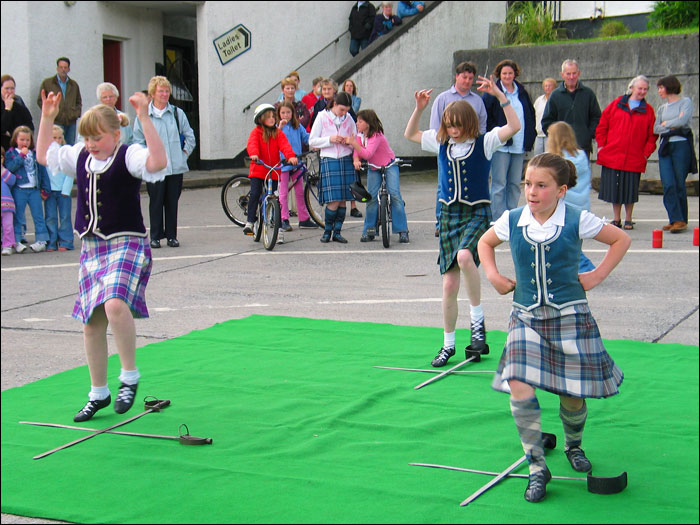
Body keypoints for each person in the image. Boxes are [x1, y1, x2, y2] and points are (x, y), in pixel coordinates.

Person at [477, 152, 630, 503]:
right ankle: (536, 466)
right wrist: (494, 275)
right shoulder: (512, 219)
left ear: (561, 190)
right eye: (527, 183)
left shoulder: (577, 219)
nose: (532, 191)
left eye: (541, 185)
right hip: (526, 317)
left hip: (570, 317)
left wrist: (597, 274)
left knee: (572, 394)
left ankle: (573, 445)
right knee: (518, 384)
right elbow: (485, 243)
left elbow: (621, 239)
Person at [36, 88, 167, 421]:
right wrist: (47, 117)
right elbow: (43, 155)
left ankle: (129, 376)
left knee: (113, 304)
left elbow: (158, 162)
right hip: (93, 247)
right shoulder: (79, 155)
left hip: (127, 243)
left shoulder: (129, 154)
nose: (92, 144)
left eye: (98, 138)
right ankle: (98, 393)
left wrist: (144, 118)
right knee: (91, 323)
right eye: (87, 138)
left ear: (115, 134)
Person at [404, 75, 521, 367]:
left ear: (468, 123)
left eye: (458, 125)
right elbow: (410, 135)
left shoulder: (485, 142)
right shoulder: (442, 142)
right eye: (449, 125)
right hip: (448, 215)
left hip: (477, 213)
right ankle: (448, 345)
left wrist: (500, 95)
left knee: (466, 256)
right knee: (448, 286)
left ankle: (478, 323)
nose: (453, 131)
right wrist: (419, 108)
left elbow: (514, 126)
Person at [133, 76, 196, 248]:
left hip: (175, 167)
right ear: (153, 93)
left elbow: (190, 136)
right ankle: (154, 236)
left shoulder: (177, 113)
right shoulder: (144, 116)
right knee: (156, 201)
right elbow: (137, 140)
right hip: (155, 168)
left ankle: (171, 236)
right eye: (161, 91)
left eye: (167, 91)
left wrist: (184, 154)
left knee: (172, 201)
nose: (164, 94)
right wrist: (145, 159)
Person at [430, 61, 487, 236]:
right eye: (464, 77)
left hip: (470, 149)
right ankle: (441, 221)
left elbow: (482, 126)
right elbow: (435, 127)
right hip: (448, 148)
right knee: (444, 185)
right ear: (457, 76)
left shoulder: (477, 100)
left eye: (471, 78)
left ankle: (469, 219)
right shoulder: (443, 98)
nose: (468, 81)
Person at [596, 75, 657, 229]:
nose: (642, 92)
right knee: (614, 189)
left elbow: (652, 136)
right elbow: (602, 125)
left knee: (630, 190)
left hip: (634, 157)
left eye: (645, 89)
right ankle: (616, 218)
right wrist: (602, 146)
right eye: (639, 88)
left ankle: (628, 218)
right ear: (631, 88)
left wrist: (645, 153)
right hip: (613, 154)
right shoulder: (616, 104)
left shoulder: (648, 111)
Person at [482, 59, 536, 220]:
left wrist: (530, 137)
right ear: (499, 74)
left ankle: (511, 216)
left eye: (510, 73)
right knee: (499, 184)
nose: (507, 76)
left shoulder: (522, 92)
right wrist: (495, 133)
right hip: (501, 145)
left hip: (519, 145)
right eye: (504, 73)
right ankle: (498, 219)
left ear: (515, 74)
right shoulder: (493, 92)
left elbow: (530, 115)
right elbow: (486, 116)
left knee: (514, 184)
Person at [349, 108, 409, 243]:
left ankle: (402, 230)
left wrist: (353, 144)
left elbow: (368, 154)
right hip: (374, 167)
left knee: (395, 195)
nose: (357, 123)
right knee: (371, 198)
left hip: (389, 165)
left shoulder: (377, 136)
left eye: (360, 121)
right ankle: (369, 231)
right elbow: (357, 151)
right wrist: (356, 160)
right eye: (357, 121)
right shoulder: (360, 135)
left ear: (368, 123)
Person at [546, 121, 595, 272]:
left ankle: (585, 267)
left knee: (564, 242)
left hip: (565, 205)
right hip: (582, 204)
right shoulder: (581, 155)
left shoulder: (556, 161)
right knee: (573, 239)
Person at [309, 91, 357, 243]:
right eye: (342, 110)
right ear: (334, 104)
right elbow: (313, 141)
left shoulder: (348, 118)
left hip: (345, 158)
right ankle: (327, 230)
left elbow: (356, 137)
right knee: (333, 200)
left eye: (347, 110)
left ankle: (337, 232)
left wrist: (348, 141)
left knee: (343, 199)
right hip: (329, 159)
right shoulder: (322, 116)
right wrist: (330, 139)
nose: (344, 113)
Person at [243, 103, 298, 235]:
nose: (272, 118)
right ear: (260, 119)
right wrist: (254, 154)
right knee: (255, 193)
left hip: (272, 171)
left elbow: (285, 145)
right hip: (258, 169)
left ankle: (278, 229)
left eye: (273, 116)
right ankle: (250, 221)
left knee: (275, 198)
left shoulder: (277, 133)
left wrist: (290, 156)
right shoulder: (256, 132)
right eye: (268, 116)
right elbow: (252, 144)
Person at [655, 75, 697, 234]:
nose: (659, 91)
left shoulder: (685, 102)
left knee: (679, 182)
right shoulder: (661, 108)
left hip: (681, 145)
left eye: (661, 87)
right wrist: (669, 125)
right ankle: (675, 218)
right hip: (666, 146)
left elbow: (683, 121)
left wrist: (667, 124)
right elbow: (656, 128)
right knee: (668, 183)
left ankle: (680, 220)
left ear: (669, 86)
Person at [541, 59, 601, 158]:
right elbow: (547, 121)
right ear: (562, 75)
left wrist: (588, 134)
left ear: (579, 73)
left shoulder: (588, 94)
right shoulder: (555, 95)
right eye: (568, 74)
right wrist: (556, 138)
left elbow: (596, 117)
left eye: (574, 73)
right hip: (560, 149)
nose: (571, 77)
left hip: (582, 147)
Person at [4, 126, 51, 253]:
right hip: (19, 189)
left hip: (34, 189)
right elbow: (10, 168)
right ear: (16, 140)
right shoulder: (11, 154)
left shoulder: (35, 154)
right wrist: (21, 156)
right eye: (22, 139)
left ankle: (41, 240)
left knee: (38, 215)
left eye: (27, 140)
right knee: (18, 215)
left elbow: (42, 171)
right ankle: (17, 240)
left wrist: (46, 188)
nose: (25, 143)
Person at [276, 101, 316, 231]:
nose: (286, 115)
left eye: (288, 112)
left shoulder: (297, 126)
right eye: (283, 113)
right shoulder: (277, 128)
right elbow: (274, 139)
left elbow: (306, 137)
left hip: (297, 162)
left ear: (292, 113)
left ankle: (303, 219)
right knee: (283, 193)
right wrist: (280, 127)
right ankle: (283, 218)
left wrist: (314, 143)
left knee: (299, 192)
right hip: (284, 163)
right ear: (279, 114)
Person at [37, 57, 82, 145]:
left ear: (69, 69)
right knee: (55, 145)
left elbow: (78, 101)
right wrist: (51, 114)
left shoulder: (74, 85)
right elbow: (40, 101)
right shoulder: (48, 83)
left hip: (71, 121)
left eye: (65, 67)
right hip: (56, 120)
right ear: (57, 68)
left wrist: (76, 114)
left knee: (69, 146)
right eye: (61, 67)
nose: (63, 70)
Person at [43, 125, 74, 251]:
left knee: (65, 216)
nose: (57, 140)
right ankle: (52, 241)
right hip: (49, 191)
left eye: (59, 138)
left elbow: (70, 173)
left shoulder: (65, 153)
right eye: (54, 138)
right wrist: (44, 189)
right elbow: (43, 173)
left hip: (63, 191)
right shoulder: (45, 154)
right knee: (50, 216)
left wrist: (66, 190)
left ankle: (66, 241)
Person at [1, 74, 34, 151]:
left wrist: (13, 133)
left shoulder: (19, 106)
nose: (10, 91)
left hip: (18, 148)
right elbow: (2, 128)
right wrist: (7, 109)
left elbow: (29, 126)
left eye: (12, 88)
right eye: (7, 88)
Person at [533, 77, 557, 155]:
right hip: (539, 135)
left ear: (554, 87)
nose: (547, 88)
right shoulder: (539, 100)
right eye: (546, 86)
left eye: (550, 86)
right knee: (537, 158)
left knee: (549, 158)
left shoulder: (556, 100)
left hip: (551, 135)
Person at [1, 147, 17, 255]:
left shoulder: (4, 171)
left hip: (6, 204)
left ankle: (8, 245)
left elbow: (12, 181)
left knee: (8, 226)